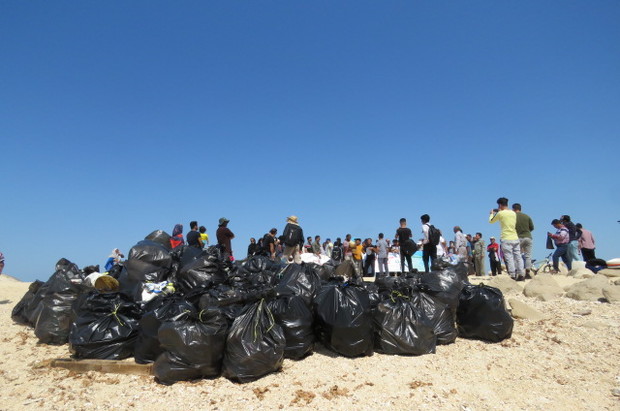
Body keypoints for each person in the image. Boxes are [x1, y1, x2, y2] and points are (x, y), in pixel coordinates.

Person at [489, 197, 525, 281]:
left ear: (500, 205)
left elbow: (491, 221)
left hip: (506, 237)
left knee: (509, 257)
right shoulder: (513, 213)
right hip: (515, 237)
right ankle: (521, 273)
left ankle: (512, 274)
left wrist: (491, 213)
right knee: (518, 256)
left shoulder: (500, 213)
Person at [513, 203, 535, 278]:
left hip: (518, 237)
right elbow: (532, 227)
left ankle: (518, 272)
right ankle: (528, 272)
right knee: (528, 255)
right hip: (528, 237)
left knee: (517, 255)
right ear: (520, 208)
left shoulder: (513, 216)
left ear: (513, 209)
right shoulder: (527, 216)